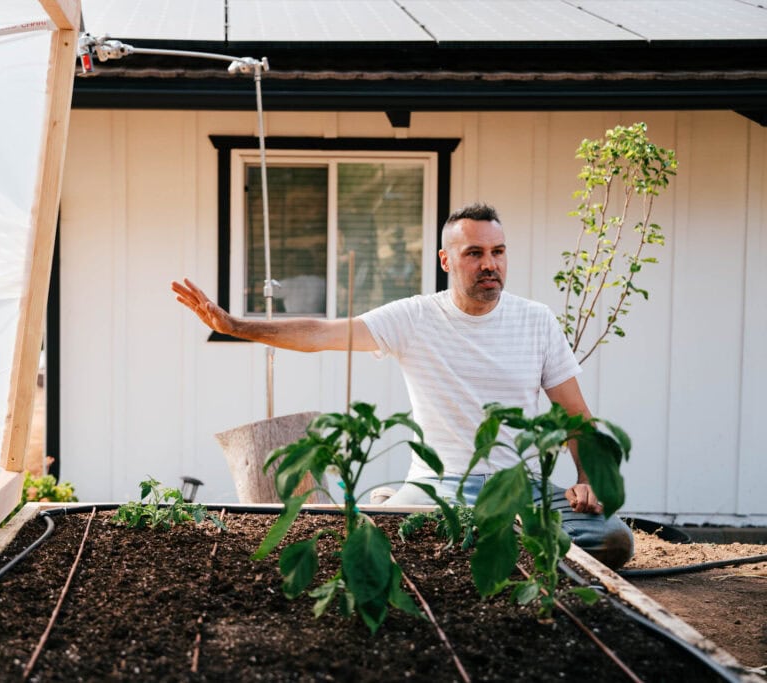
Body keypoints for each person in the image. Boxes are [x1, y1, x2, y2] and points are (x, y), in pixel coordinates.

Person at [171, 203, 633, 569]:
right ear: (446, 259)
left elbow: (574, 413)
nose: (489, 264)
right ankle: (405, 507)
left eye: (498, 251)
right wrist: (237, 326)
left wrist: (587, 478)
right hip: (439, 485)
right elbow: (321, 333)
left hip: (518, 486)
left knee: (612, 541)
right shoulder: (414, 317)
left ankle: (492, 532)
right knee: (389, 549)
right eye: (474, 253)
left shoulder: (536, 320)